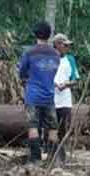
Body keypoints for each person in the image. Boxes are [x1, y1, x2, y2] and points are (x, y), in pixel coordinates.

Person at [17, 21, 60, 163]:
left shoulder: (29, 53)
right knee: (53, 128)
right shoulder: (55, 54)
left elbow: (22, 72)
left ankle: (35, 159)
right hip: (50, 96)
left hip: (33, 96)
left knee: (33, 126)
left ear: (35, 34)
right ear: (49, 35)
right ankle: (53, 159)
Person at [52, 33, 78, 164]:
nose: (67, 47)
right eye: (65, 45)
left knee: (63, 129)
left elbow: (75, 79)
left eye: (68, 45)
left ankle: (61, 157)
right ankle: (52, 156)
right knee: (51, 129)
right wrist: (55, 84)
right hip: (51, 99)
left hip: (65, 100)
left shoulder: (70, 60)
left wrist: (66, 84)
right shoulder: (49, 59)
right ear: (57, 45)